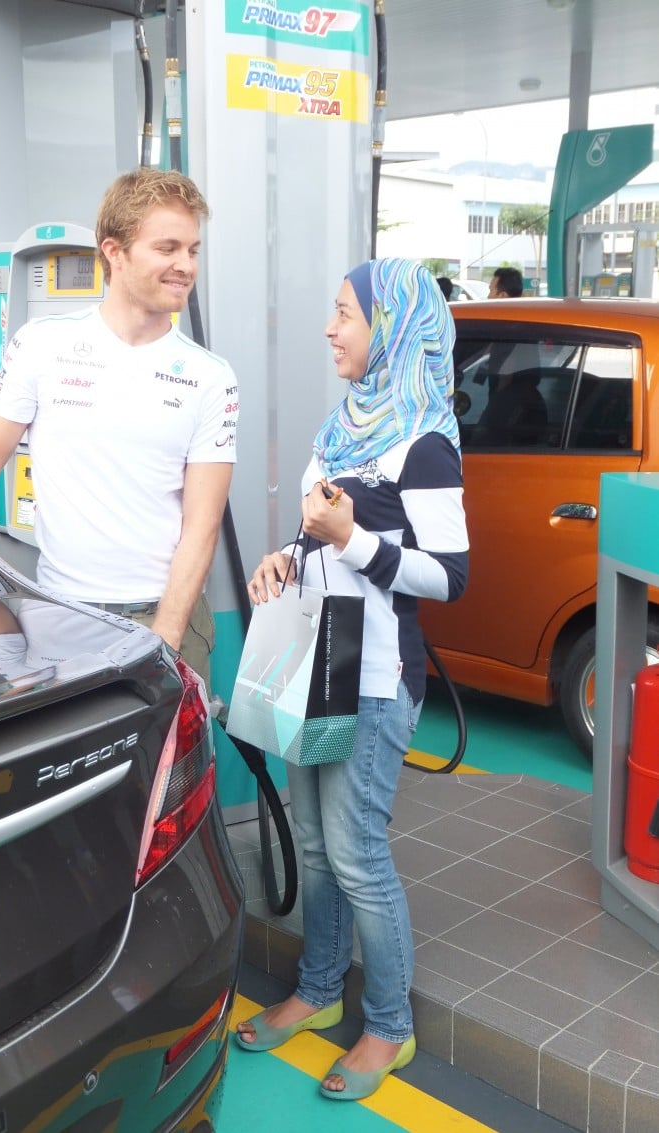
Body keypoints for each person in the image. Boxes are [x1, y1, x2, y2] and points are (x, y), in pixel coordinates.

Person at [235, 258, 469, 1102]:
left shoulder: (426, 443)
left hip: (375, 677)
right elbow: (315, 534)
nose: (330, 328)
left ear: (393, 326)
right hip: (314, 670)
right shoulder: (341, 427)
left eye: (344, 313)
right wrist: (284, 559)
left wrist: (351, 542)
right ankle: (319, 988)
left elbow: (451, 575)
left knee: (359, 854)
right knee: (315, 848)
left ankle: (390, 1027)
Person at [0, 168, 238, 687]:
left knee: (169, 770)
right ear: (115, 251)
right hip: (60, 613)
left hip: (165, 617)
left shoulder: (210, 377)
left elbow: (202, 526)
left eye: (193, 250)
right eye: (167, 248)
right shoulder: (42, 345)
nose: (185, 265)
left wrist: (164, 641)